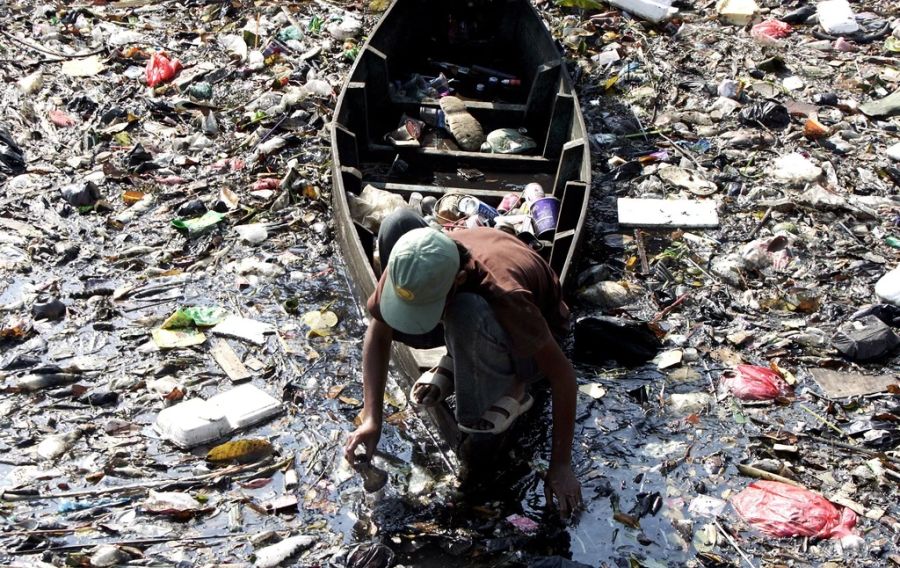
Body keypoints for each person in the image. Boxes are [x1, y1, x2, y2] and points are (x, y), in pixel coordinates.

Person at [344, 209, 583, 517]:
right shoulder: (409, 265)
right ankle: (457, 355)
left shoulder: (506, 293)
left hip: (531, 340)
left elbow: (563, 376)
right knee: (397, 224)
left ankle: (515, 386)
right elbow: (377, 335)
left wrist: (561, 465)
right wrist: (371, 417)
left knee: (465, 311)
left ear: (458, 279)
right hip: (469, 308)